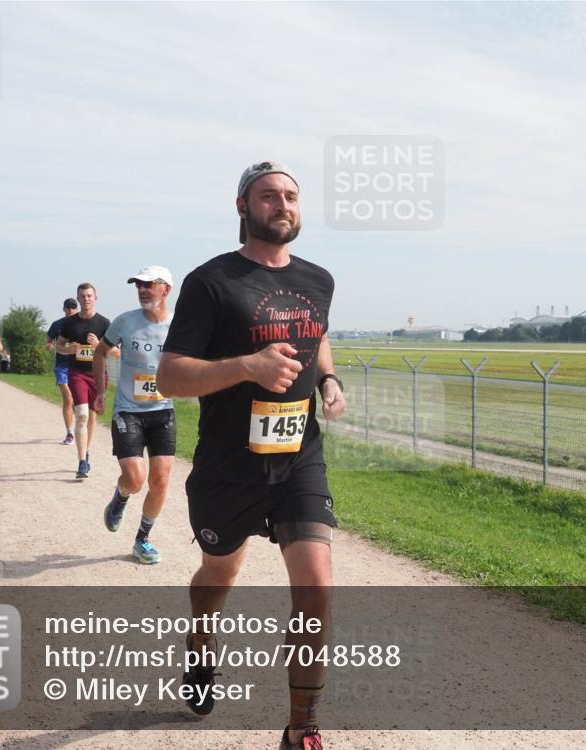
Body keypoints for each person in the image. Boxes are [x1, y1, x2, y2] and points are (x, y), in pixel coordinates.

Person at [157, 161, 346, 750]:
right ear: (242, 206)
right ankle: (202, 643)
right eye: (269, 196)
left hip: (297, 455)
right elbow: (169, 377)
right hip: (228, 464)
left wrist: (329, 380)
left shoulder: (319, 279)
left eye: (291, 195)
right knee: (221, 572)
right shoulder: (210, 282)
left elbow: (316, 338)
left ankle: (302, 728)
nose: (282, 204)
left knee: (316, 587)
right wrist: (247, 366)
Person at [92, 266, 175, 565]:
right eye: (138, 285)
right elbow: (100, 352)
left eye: (148, 285)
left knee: (162, 480)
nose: (142, 290)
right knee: (135, 479)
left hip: (163, 409)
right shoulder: (125, 322)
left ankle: (143, 539)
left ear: (165, 288)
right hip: (128, 409)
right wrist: (101, 391)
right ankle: (121, 496)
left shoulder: (178, 327)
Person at [56, 283, 110, 479]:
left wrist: (99, 346)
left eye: (89, 296)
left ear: (95, 298)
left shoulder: (104, 323)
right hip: (76, 373)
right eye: (82, 296)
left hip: (97, 375)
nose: (86, 299)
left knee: (92, 418)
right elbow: (59, 346)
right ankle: (82, 462)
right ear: (78, 299)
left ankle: (86, 452)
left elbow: (117, 352)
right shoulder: (70, 323)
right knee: (82, 415)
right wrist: (69, 349)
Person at [46, 298, 79, 445]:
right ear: (64, 309)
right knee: (68, 398)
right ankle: (69, 433)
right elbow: (49, 339)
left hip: (78, 367)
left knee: (77, 402)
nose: (71, 310)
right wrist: (49, 345)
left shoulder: (82, 324)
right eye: (68, 308)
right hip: (62, 367)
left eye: (73, 307)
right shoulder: (57, 324)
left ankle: (78, 425)